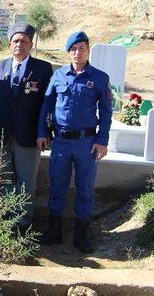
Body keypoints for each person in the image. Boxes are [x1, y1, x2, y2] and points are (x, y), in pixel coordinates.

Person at [37, 31, 112, 253]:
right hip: (60, 141)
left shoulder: (99, 78)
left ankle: (81, 235)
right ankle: (54, 231)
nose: (77, 52)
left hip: (86, 143)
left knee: (85, 188)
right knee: (57, 186)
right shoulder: (58, 75)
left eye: (81, 48)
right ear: (68, 52)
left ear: (88, 50)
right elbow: (46, 105)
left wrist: (102, 140)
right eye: (73, 49)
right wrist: (42, 132)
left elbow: (106, 113)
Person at [0, 23, 53, 230]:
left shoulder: (42, 69)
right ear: (9, 44)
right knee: (3, 178)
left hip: (29, 135)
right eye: (15, 41)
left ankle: (21, 223)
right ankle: (4, 217)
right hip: (2, 133)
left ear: (31, 45)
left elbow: (47, 105)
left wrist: (44, 132)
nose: (19, 45)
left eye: (24, 41)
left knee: (25, 181)